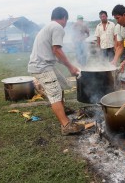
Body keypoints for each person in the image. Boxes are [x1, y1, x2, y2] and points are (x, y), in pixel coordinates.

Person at [28, 7, 84, 135]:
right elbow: (57, 50)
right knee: (55, 93)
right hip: (42, 66)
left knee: (62, 84)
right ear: (64, 18)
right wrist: (70, 67)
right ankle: (66, 126)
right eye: (66, 21)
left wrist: (71, 65)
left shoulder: (49, 26)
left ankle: (62, 108)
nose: (65, 24)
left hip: (45, 64)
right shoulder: (57, 27)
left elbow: (55, 54)